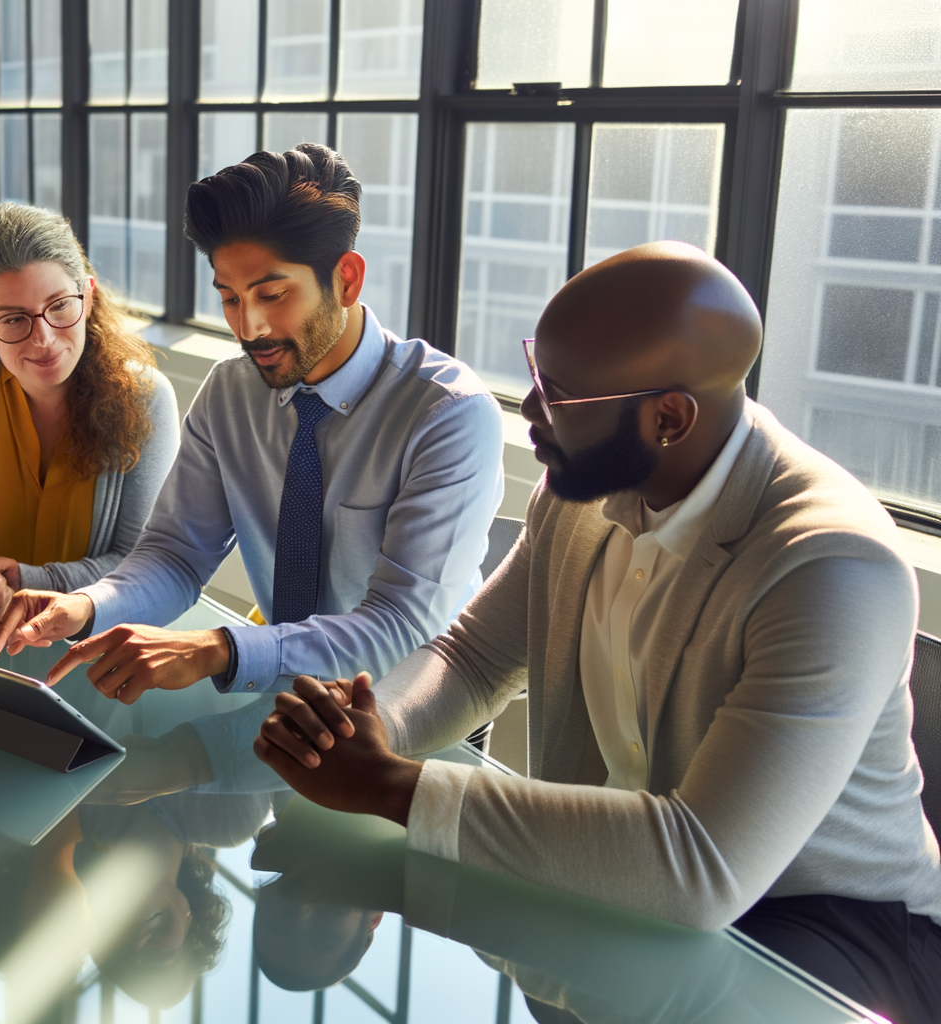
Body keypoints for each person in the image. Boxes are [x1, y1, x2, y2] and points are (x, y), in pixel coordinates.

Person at [255, 243, 941, 1024]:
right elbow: (473, 658)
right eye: (537, 373)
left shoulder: (832, 565)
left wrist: (386, 785)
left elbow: (700, 866)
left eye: (559, 395)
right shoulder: (579, 489)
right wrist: (370, 727)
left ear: (669, 418)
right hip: (625, 882)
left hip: (831, 929)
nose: (529, 408)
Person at [0, 144, 504, 703]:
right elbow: (176, 556)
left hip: (413, 711)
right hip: (286, 702)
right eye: (230, 298)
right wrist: (87, 605)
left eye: (272, 295)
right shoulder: (230, 393)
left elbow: (401, 625)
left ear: (347, 280)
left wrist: (221, 649)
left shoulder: (449, 414)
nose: (249, 327)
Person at [0, 203, 179, 634]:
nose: (44, 338)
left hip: (97, 641)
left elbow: (143, 562)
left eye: (59, 306)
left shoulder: (147, 397)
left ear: (87, 297)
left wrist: (28, 581)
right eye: (14, 319)